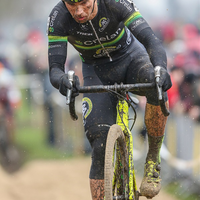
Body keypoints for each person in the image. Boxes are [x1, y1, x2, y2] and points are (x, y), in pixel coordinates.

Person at [47, 0, 172, 199]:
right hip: (96, 72)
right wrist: (63, 80)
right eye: (72, 5)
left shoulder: (114, 3)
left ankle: (152, 159)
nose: (79, 11)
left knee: (155, 85)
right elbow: (54, 69)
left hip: (131, 60)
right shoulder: (58, 16)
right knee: (99, 142)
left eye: (84, 3)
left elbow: (151, 41)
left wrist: (161, 68)